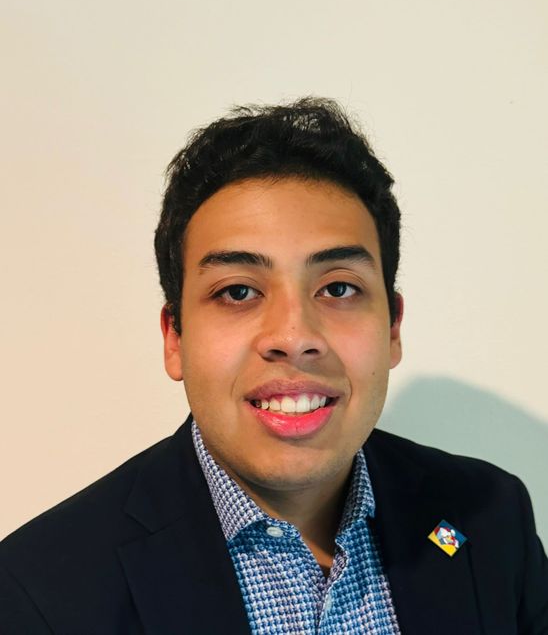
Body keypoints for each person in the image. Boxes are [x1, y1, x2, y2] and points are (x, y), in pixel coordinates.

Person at [1, 98, 546, 634]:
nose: (293, 337)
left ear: (392, 327)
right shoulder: (40, 593)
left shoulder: (491, 518)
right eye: (237, 291)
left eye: (338, 287)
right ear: (174, 337)